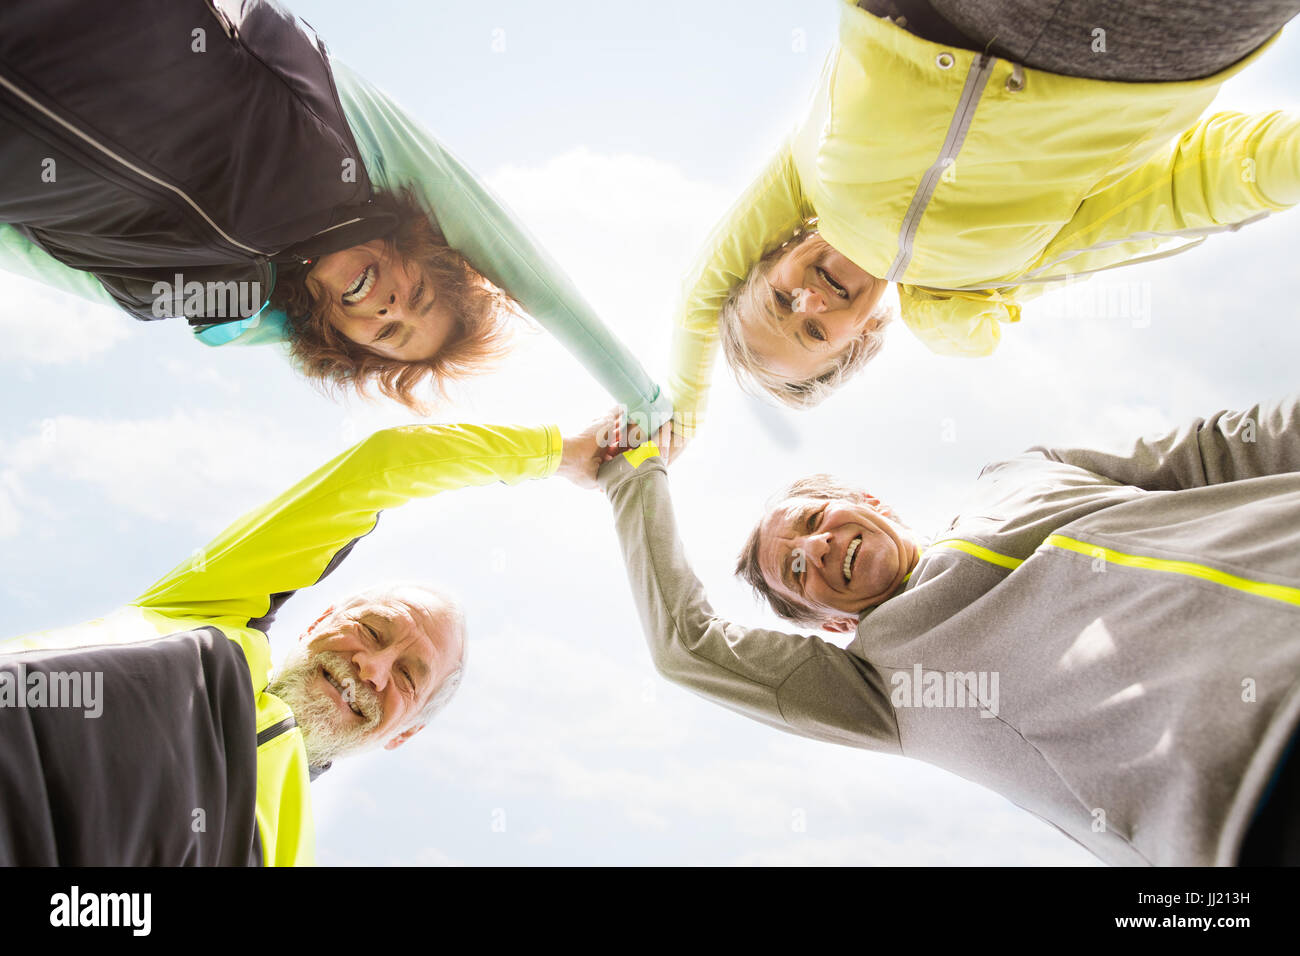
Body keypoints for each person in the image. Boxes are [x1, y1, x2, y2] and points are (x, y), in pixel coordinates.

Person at [599, 395, 1300, 865]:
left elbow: (1222, 449)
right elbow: (685, 646)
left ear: (865, 501)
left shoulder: (1024, 473)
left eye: (814, 521)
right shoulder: (877, 687)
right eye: (796, 570)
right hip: (1255, 796)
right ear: (834, 622)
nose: (814, 548)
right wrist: (634, 475)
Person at [0, 0, 671, 427]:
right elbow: (520, 262)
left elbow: (32, 256)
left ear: (344, 342)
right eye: (417, 293)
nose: (391, 308)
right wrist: (644, 400)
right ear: (422, 249)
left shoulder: (201, 299)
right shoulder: (340, 139)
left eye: (390, 333)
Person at [664, 0, 1300, 449]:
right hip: (1148, 46)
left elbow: (700, 292)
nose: (808, 299)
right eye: (809, 330)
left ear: (771, 254)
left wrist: (684, 408)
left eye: (779, 297)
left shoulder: (804, 172)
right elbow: (1180, 189)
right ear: (855, 341)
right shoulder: (982, 282)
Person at [0, 415, 612, 865]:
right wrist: (561, 453)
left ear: (405, 734)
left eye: (407, 677)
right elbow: (383, 465)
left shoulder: (286, 851)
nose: (371, 667)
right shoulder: (214, 612)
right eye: (373, 630)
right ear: (319, 624)